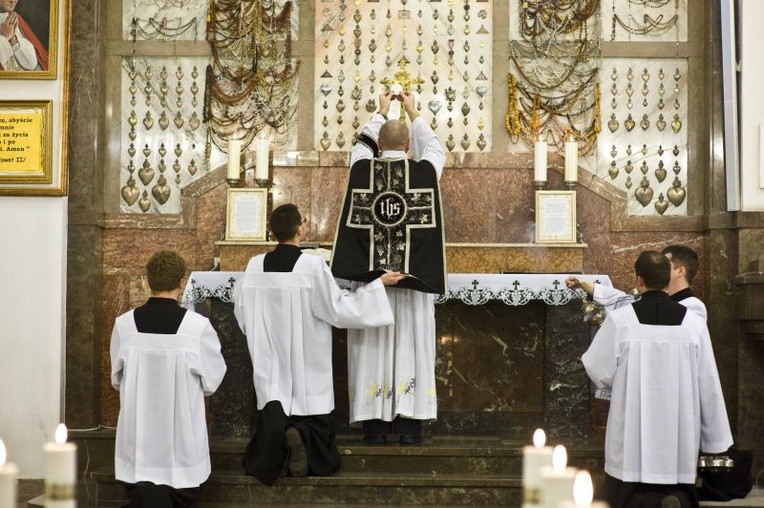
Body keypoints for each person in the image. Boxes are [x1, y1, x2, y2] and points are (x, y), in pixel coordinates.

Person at [233, 203, 404, 486]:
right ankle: (304, 441)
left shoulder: (254, 266)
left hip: (270, 362)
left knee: (272, 414)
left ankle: (279, 448)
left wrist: (263, 338)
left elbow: (243, 313)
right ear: (301, 228)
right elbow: (337, 309)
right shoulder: (311, 266)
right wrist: (377, 284)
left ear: (272, 232)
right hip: (307, 361)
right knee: (311, 412)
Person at [335, 90, 446, 445]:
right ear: (409, 144)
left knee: (372, 348)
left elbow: (360, 146)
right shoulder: (425, 171)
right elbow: (436, 148)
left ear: (380, 144)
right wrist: (414, 110)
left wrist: (380, 112)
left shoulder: (361, 169)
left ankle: (375, 427)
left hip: (372, 285)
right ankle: (409, 427)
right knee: (411, 347)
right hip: (412, 284)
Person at [581, 251, 733, 508]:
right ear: (667, 280)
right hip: (678, 444)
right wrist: (716, 442)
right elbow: (709, 384)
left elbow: (596, 366)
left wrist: (618, 385)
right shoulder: (693, 324)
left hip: (630, 441)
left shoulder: (622, 321)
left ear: (639, 281)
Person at [110, 250, 227, 507]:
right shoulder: (196, 328)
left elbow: (117, 379)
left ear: (148, 279)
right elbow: (212, 380)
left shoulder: (125, 325)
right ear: (180, 283)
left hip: (138, 441)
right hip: (181, 442)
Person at [566, 245, 707, 320]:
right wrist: (586, 285)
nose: (658, 268)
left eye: (665, 264)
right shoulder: (655, 301)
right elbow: (622, 301)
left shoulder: (694, 308)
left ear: (680, 271)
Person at [0, 0, 48, 71]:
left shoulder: (14, 18)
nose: (13, 1)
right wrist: (4, 38)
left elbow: (32, 65)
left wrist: (13, 40)